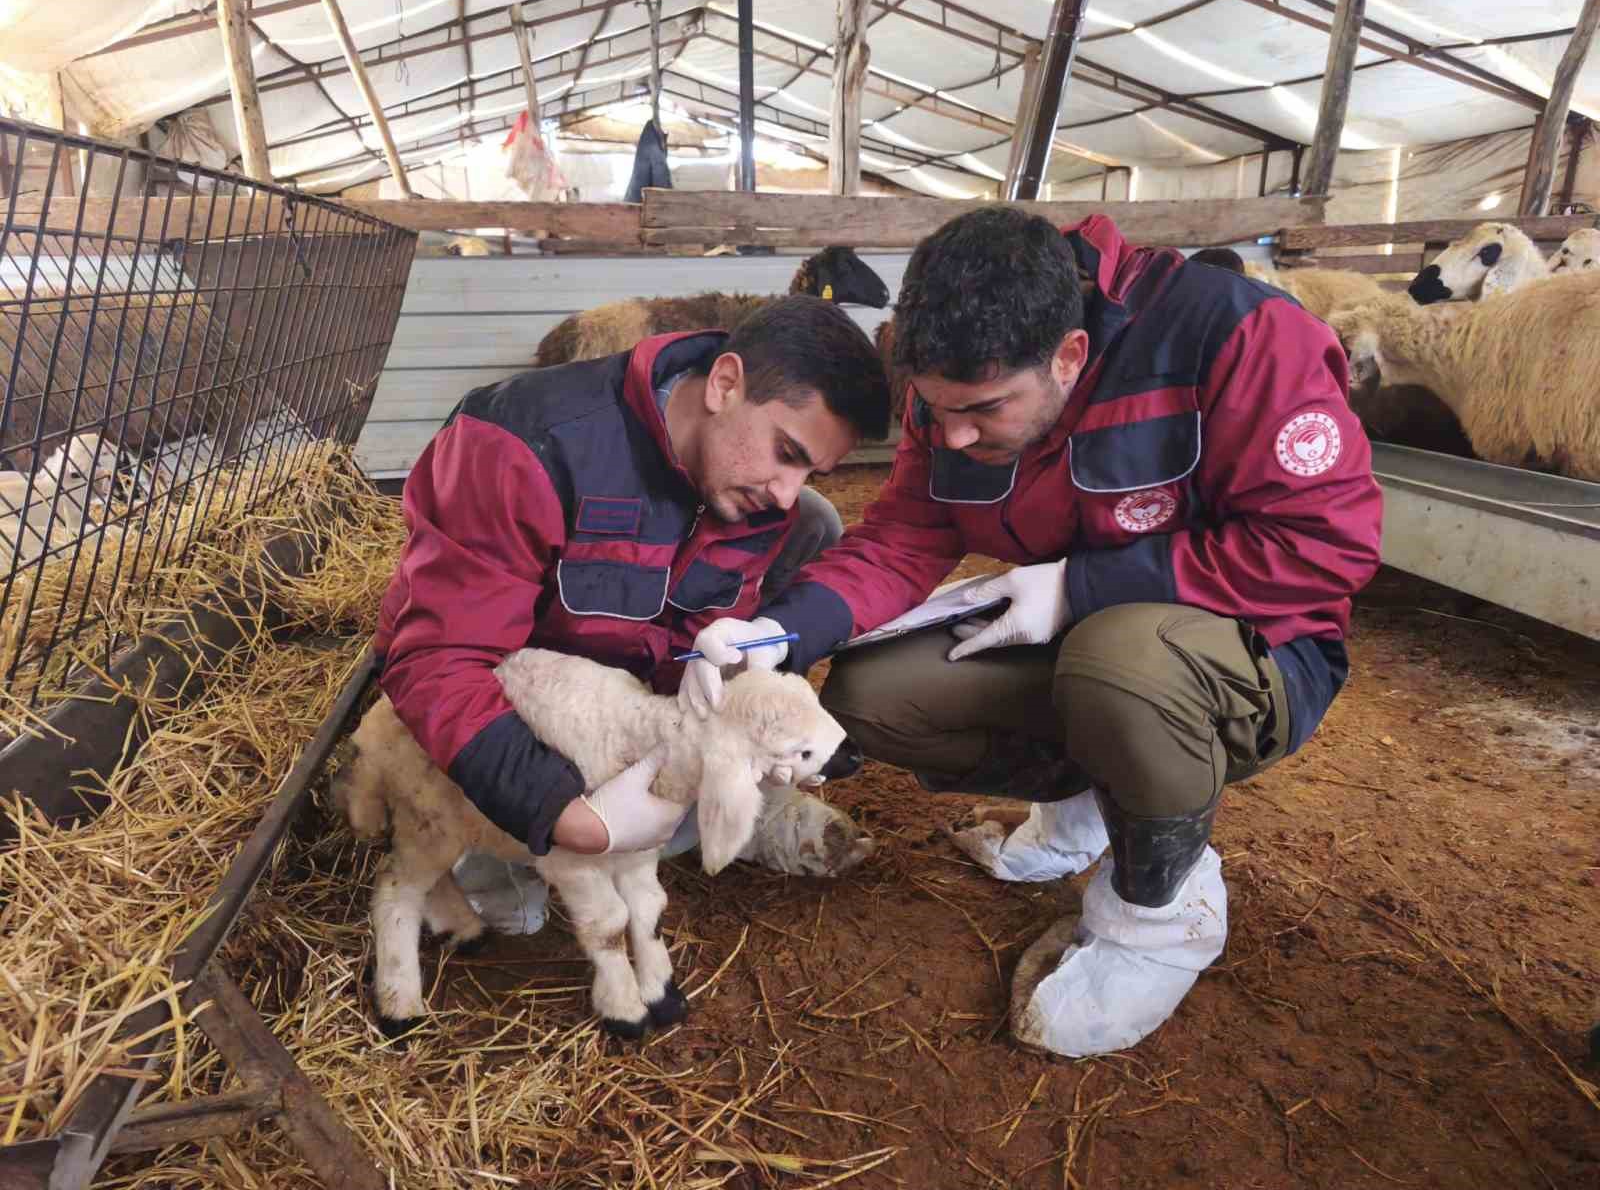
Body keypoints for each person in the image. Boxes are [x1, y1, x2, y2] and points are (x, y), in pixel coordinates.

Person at [681, 208, 1382, 1058]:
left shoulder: (1238, 338)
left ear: (1069, 357)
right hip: (1073, 634)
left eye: (983, 411)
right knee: (875, 694)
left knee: (1118, 664)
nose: (955, 436)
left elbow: (1320, 546)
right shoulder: (952, 389)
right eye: (935, 412)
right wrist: (783, 632)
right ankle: (1091, 800)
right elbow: (906, 531)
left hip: (1250, 652)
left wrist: (1083, 586)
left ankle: (1162, 911)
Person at [374, 295, 891, 905]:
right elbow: (438, 658)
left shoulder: (751, 491)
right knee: (516, 895)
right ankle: (504, 834)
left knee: (816, 523)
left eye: (811, 470)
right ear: (725, 384)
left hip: (630, 712)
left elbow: (695, 646)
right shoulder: (519, 444)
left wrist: (725, 714)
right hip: (536, 709)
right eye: (787, 453)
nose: (786, 492)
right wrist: (559, 811)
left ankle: (725, 809)